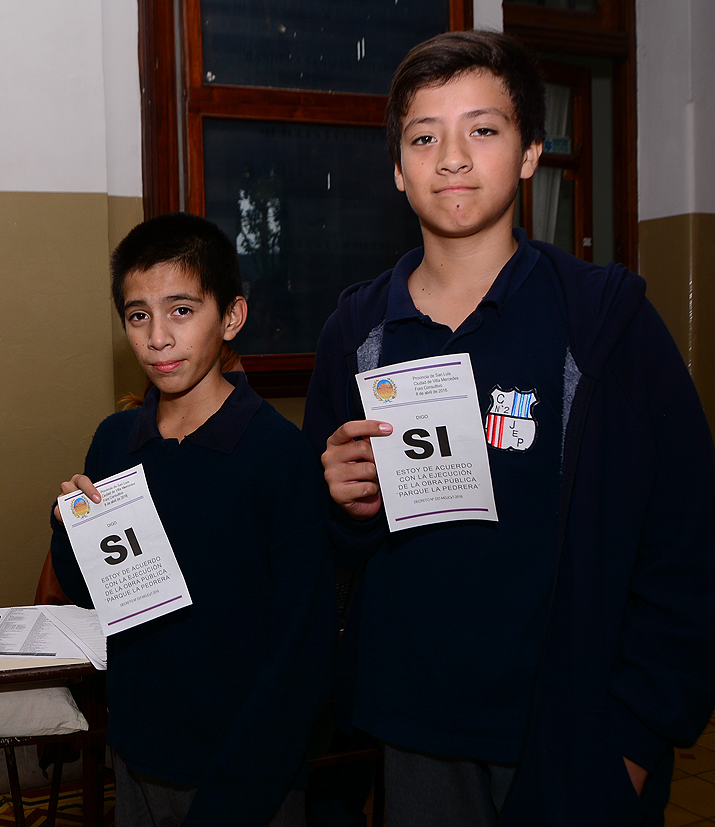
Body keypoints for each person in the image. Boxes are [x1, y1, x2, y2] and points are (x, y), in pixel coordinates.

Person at [302, 30, 715, 827]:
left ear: (529, 153)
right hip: (417, 730)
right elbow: (330, 551)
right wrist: (343, 504)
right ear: (397, 167)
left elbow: (686, 540)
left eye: (483, 130)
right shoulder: (357, 332)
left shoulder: (604, 321)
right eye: (425, 137)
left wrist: (633, 737)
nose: (451, 157)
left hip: (575, 727)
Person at [49, 211, 336, 826]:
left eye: (182, 310)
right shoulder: (114, 440)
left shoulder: (278, 456)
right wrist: (69, 528)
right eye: (137, 315)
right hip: (139, 755)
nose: (157, 337)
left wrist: (240, 789)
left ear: (231, 315)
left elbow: (302, 648)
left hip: (249, 774)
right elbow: (88, 592)